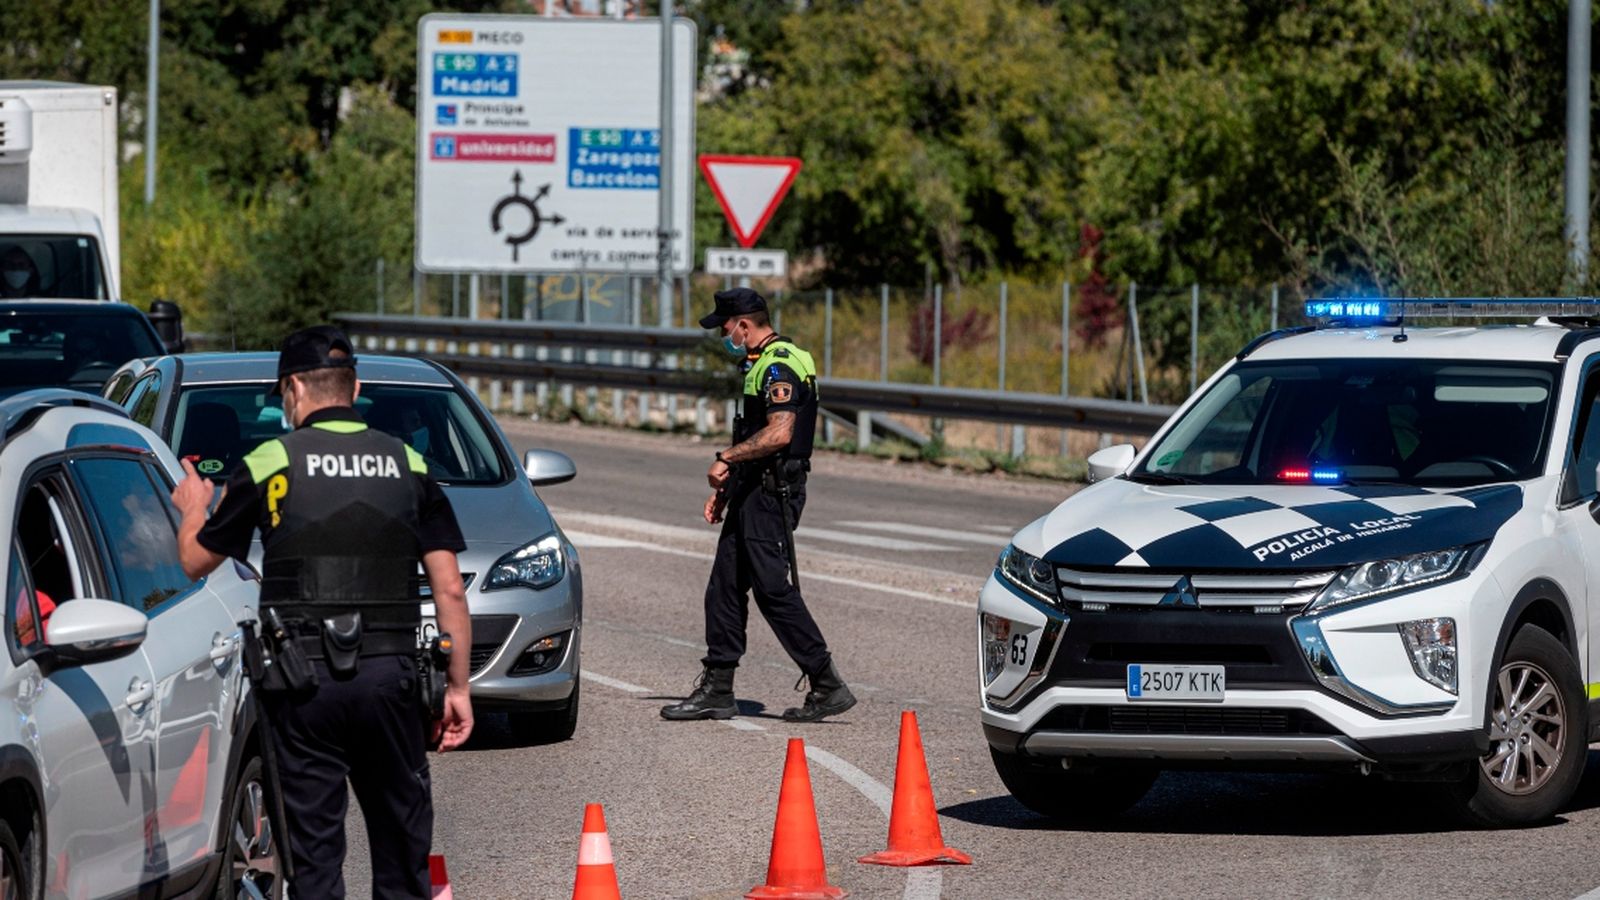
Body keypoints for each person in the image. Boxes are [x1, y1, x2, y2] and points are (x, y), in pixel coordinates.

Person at [171, 325, 472, 899]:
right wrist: (456, 687)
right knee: (402, 851)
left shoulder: (269, 460)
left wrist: (193, 506)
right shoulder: (406, 462)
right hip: (390, 682)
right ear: (353, 386)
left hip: (301, 683)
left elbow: (194, 561)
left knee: (313, 861)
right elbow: (450, 589)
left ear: (292, 390)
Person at [661, 288, 856, 723]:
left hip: (771, 495)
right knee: (725, 586)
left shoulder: (779, 364)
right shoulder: (759, 364)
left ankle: (826, 682)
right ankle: (718, 689)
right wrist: (725, 492)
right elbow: (754, 437)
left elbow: (780, 433)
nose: (724, 334)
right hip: (752, 490)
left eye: (726, 327)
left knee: (772, 590)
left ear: (745, 325)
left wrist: (724, 459)